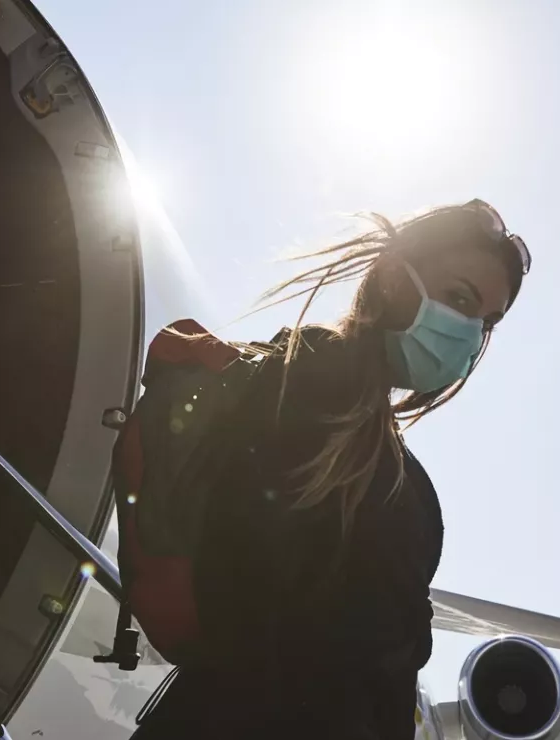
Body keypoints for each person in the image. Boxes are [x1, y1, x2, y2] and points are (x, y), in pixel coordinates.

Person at [127, 200, 529, 740]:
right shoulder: (305, 408)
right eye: (458, 298)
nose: (467, 333)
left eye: (484, 323)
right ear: (392, 278)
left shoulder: (377, 459)